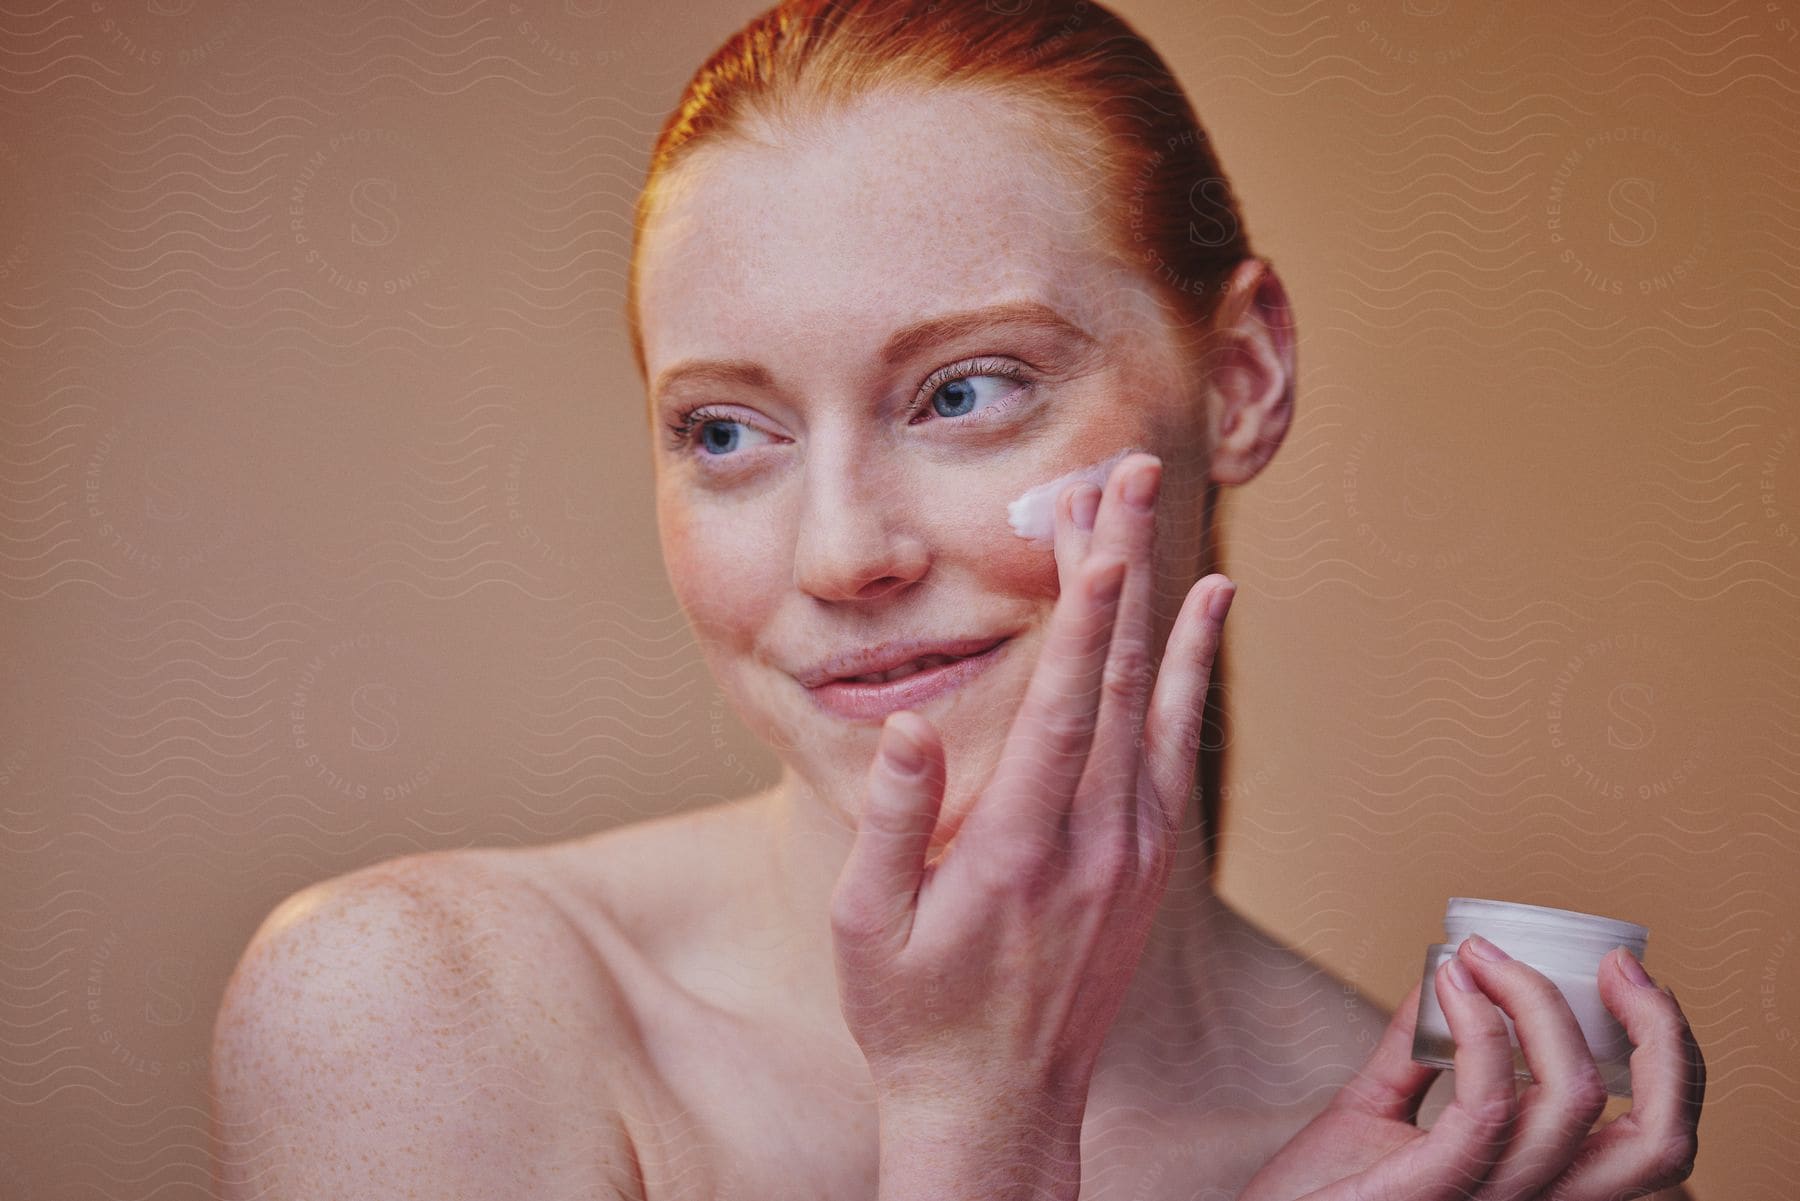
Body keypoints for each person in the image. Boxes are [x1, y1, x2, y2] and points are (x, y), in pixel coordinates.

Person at [208, 2, 1706, 1198]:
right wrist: (969, 1129)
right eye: (727, 430)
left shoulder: (1472, 1153)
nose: (841, 553)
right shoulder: (420, 1012)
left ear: (1239, 379)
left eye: (967, 392)